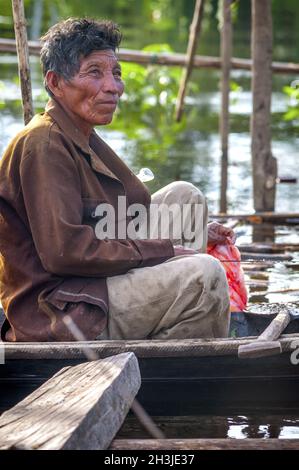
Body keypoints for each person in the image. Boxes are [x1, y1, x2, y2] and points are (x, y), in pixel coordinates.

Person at [0, 18, 234, 342]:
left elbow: (117, 212)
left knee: (185, 200)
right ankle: (169, 362)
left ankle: (173, 326)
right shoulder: (45, 144)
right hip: (64, 309)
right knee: (204, 276)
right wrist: (165, 251)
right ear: (55, 83)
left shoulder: (80, 132)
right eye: (95, 73)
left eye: (116, 73)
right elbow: (65, 252)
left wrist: (187, 235)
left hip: (88, 284)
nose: (113, 87)